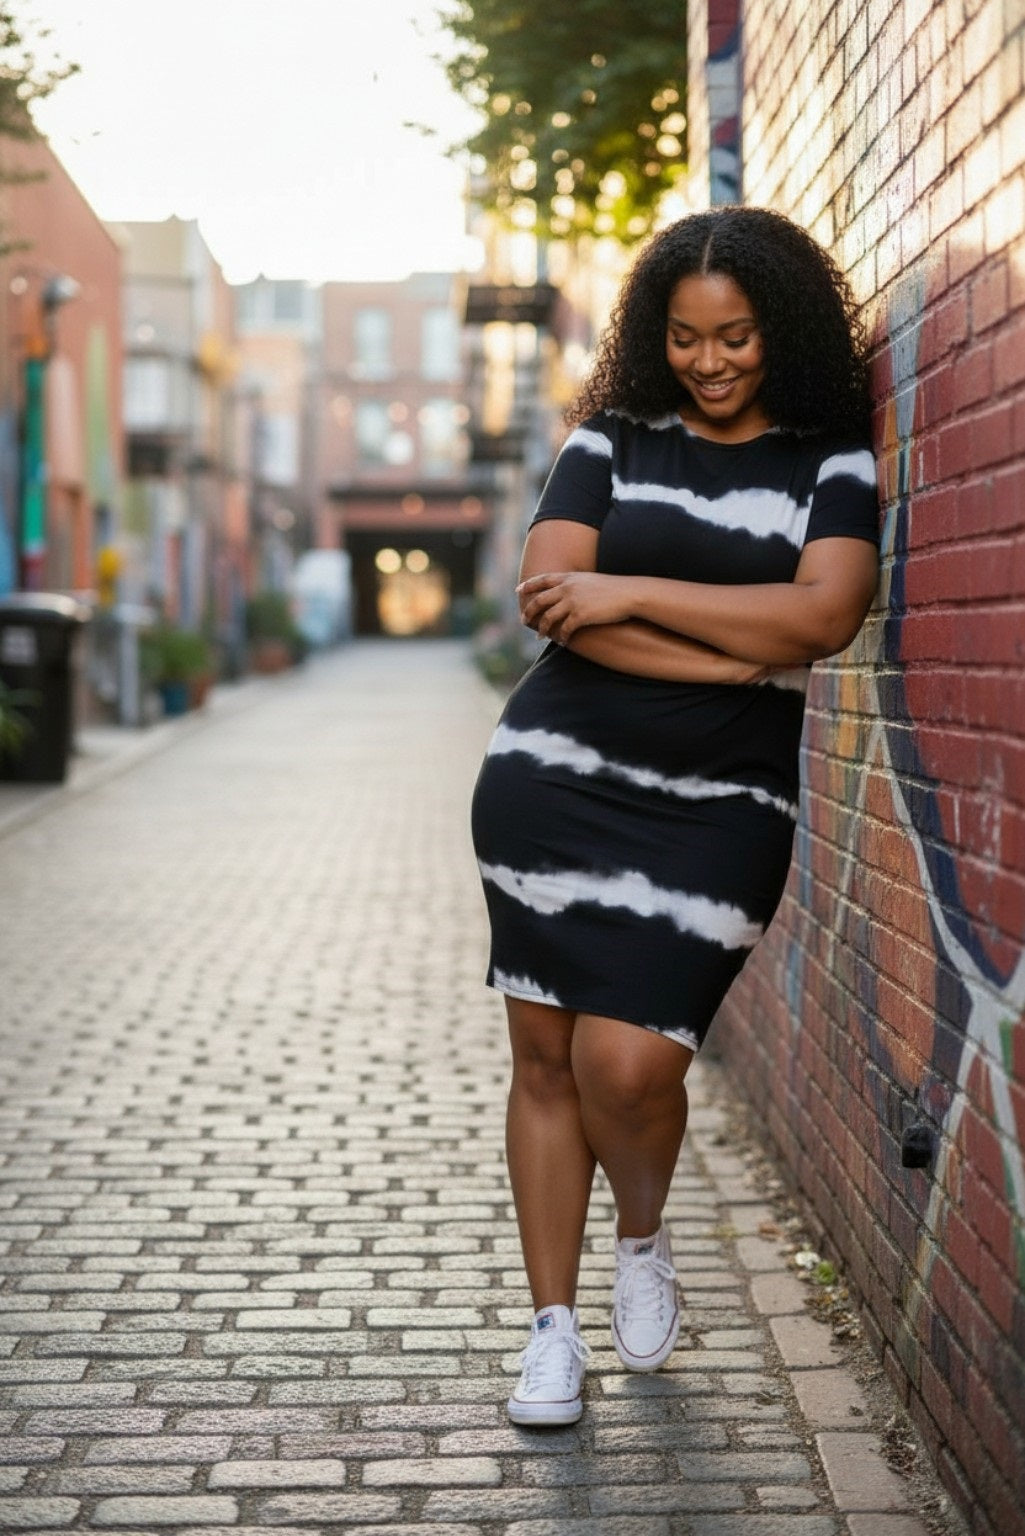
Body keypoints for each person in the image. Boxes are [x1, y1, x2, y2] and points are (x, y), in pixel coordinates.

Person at [470, 206, 880, 1427]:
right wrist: (726, 647)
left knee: (627, 1059)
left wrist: (630, 593)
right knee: (545, 1060)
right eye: (688, 338)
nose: (709, 363)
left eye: (737, 338)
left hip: (719, 805)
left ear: (782, 330)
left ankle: (639, 1241)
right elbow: (551, 598)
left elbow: (821, 621)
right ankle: (550, 1333)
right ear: (657, 336)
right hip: (553, 775)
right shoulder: (605, 438)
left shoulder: (830, 457)